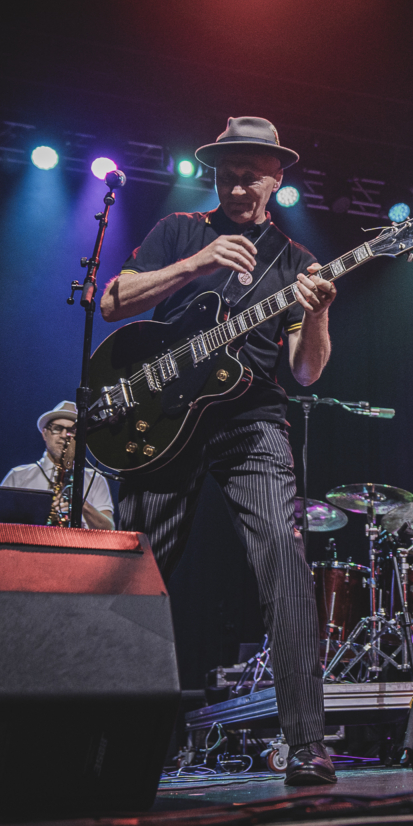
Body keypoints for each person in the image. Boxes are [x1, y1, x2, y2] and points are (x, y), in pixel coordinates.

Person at [100, 116, 337, 786]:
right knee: (132, 573)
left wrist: (317, 311)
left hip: (250, 419)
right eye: (227, 171)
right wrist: (194, 263)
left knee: (285, 566)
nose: (237, 183)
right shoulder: (179, 228)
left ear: (276, 178)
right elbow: (113, 300)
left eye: (251, 172)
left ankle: (308, 744)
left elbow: (307, 370)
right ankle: (110, 733)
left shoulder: (295, 262)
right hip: (165, 416)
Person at [0, 401, 115, 530]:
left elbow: (109, 529)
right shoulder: (18, 475)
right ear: (44, 433)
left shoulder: (96, 479)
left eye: (72, 430)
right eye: (57, 428)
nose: (64, 435)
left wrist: (81, 505)